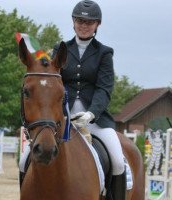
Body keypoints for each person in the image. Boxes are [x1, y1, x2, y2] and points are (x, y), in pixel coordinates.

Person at [53, 1, 126, 199]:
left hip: (93, 119)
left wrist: (91, 113)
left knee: (118, 161)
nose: (84, 25)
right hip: (62, 117)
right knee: (27, 156)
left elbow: (104, 88)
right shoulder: (60, 49)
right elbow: (53, 83)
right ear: (73, 22)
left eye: (89, 22)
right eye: (80, 21)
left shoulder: (104, 53)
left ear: (97, 25)